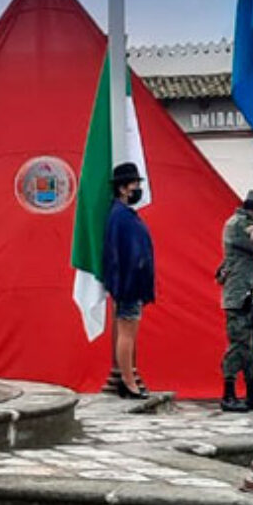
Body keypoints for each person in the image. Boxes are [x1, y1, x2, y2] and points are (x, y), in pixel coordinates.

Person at [102, 163, 155, 398]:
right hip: (129, 283)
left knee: (129, 331)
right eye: (134, 184)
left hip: (132, 282)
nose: (137, 188)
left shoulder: (121, 214)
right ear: (123, 188)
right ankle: (128, 380)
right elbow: (122, 253)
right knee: (126, 332)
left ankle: (128, 378)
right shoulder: (121, 216)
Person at [216, 190, 253, 412]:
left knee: (251, 346)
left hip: (248, 292)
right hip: (239, 295)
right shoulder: (238, 225)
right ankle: (228, 393)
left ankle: (252, 393)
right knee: (239, 345)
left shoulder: (246, 222)